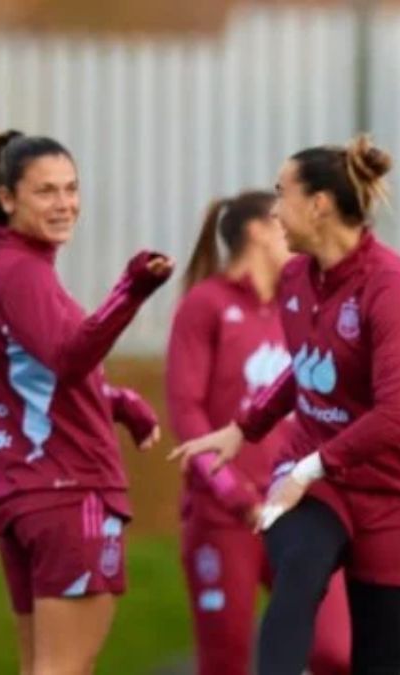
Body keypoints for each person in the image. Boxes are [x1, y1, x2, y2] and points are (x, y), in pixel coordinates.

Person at [170, 135, 400, 675]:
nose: (274, 211)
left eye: (281, 194)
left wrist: (311, 466)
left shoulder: (393, 287)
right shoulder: (296, 278)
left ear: (318, 204)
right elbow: (307, 368)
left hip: (395, 489)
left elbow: (395, 414)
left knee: (372, 659)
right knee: (299, 569)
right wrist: (244, 430)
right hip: (317, 484)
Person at [0, 130, 173, 674]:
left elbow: (34, 381)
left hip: (25, 492)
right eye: (46, 192)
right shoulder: (23, 274)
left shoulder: (0, 271)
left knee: (43, 667)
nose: (65, 204)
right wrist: (131, 291)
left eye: (71, 188)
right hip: (67, 491)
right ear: (6, 199)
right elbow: (68, 356)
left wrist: (121, 401)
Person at [167, 191, 350, 675]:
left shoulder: (305, 306)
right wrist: (235, 494)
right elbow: (186, 413)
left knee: (336, 651)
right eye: (282, 220)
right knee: (226, 660)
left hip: (300, 508)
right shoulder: (204, 306)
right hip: (225, 518)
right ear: (257, 231)